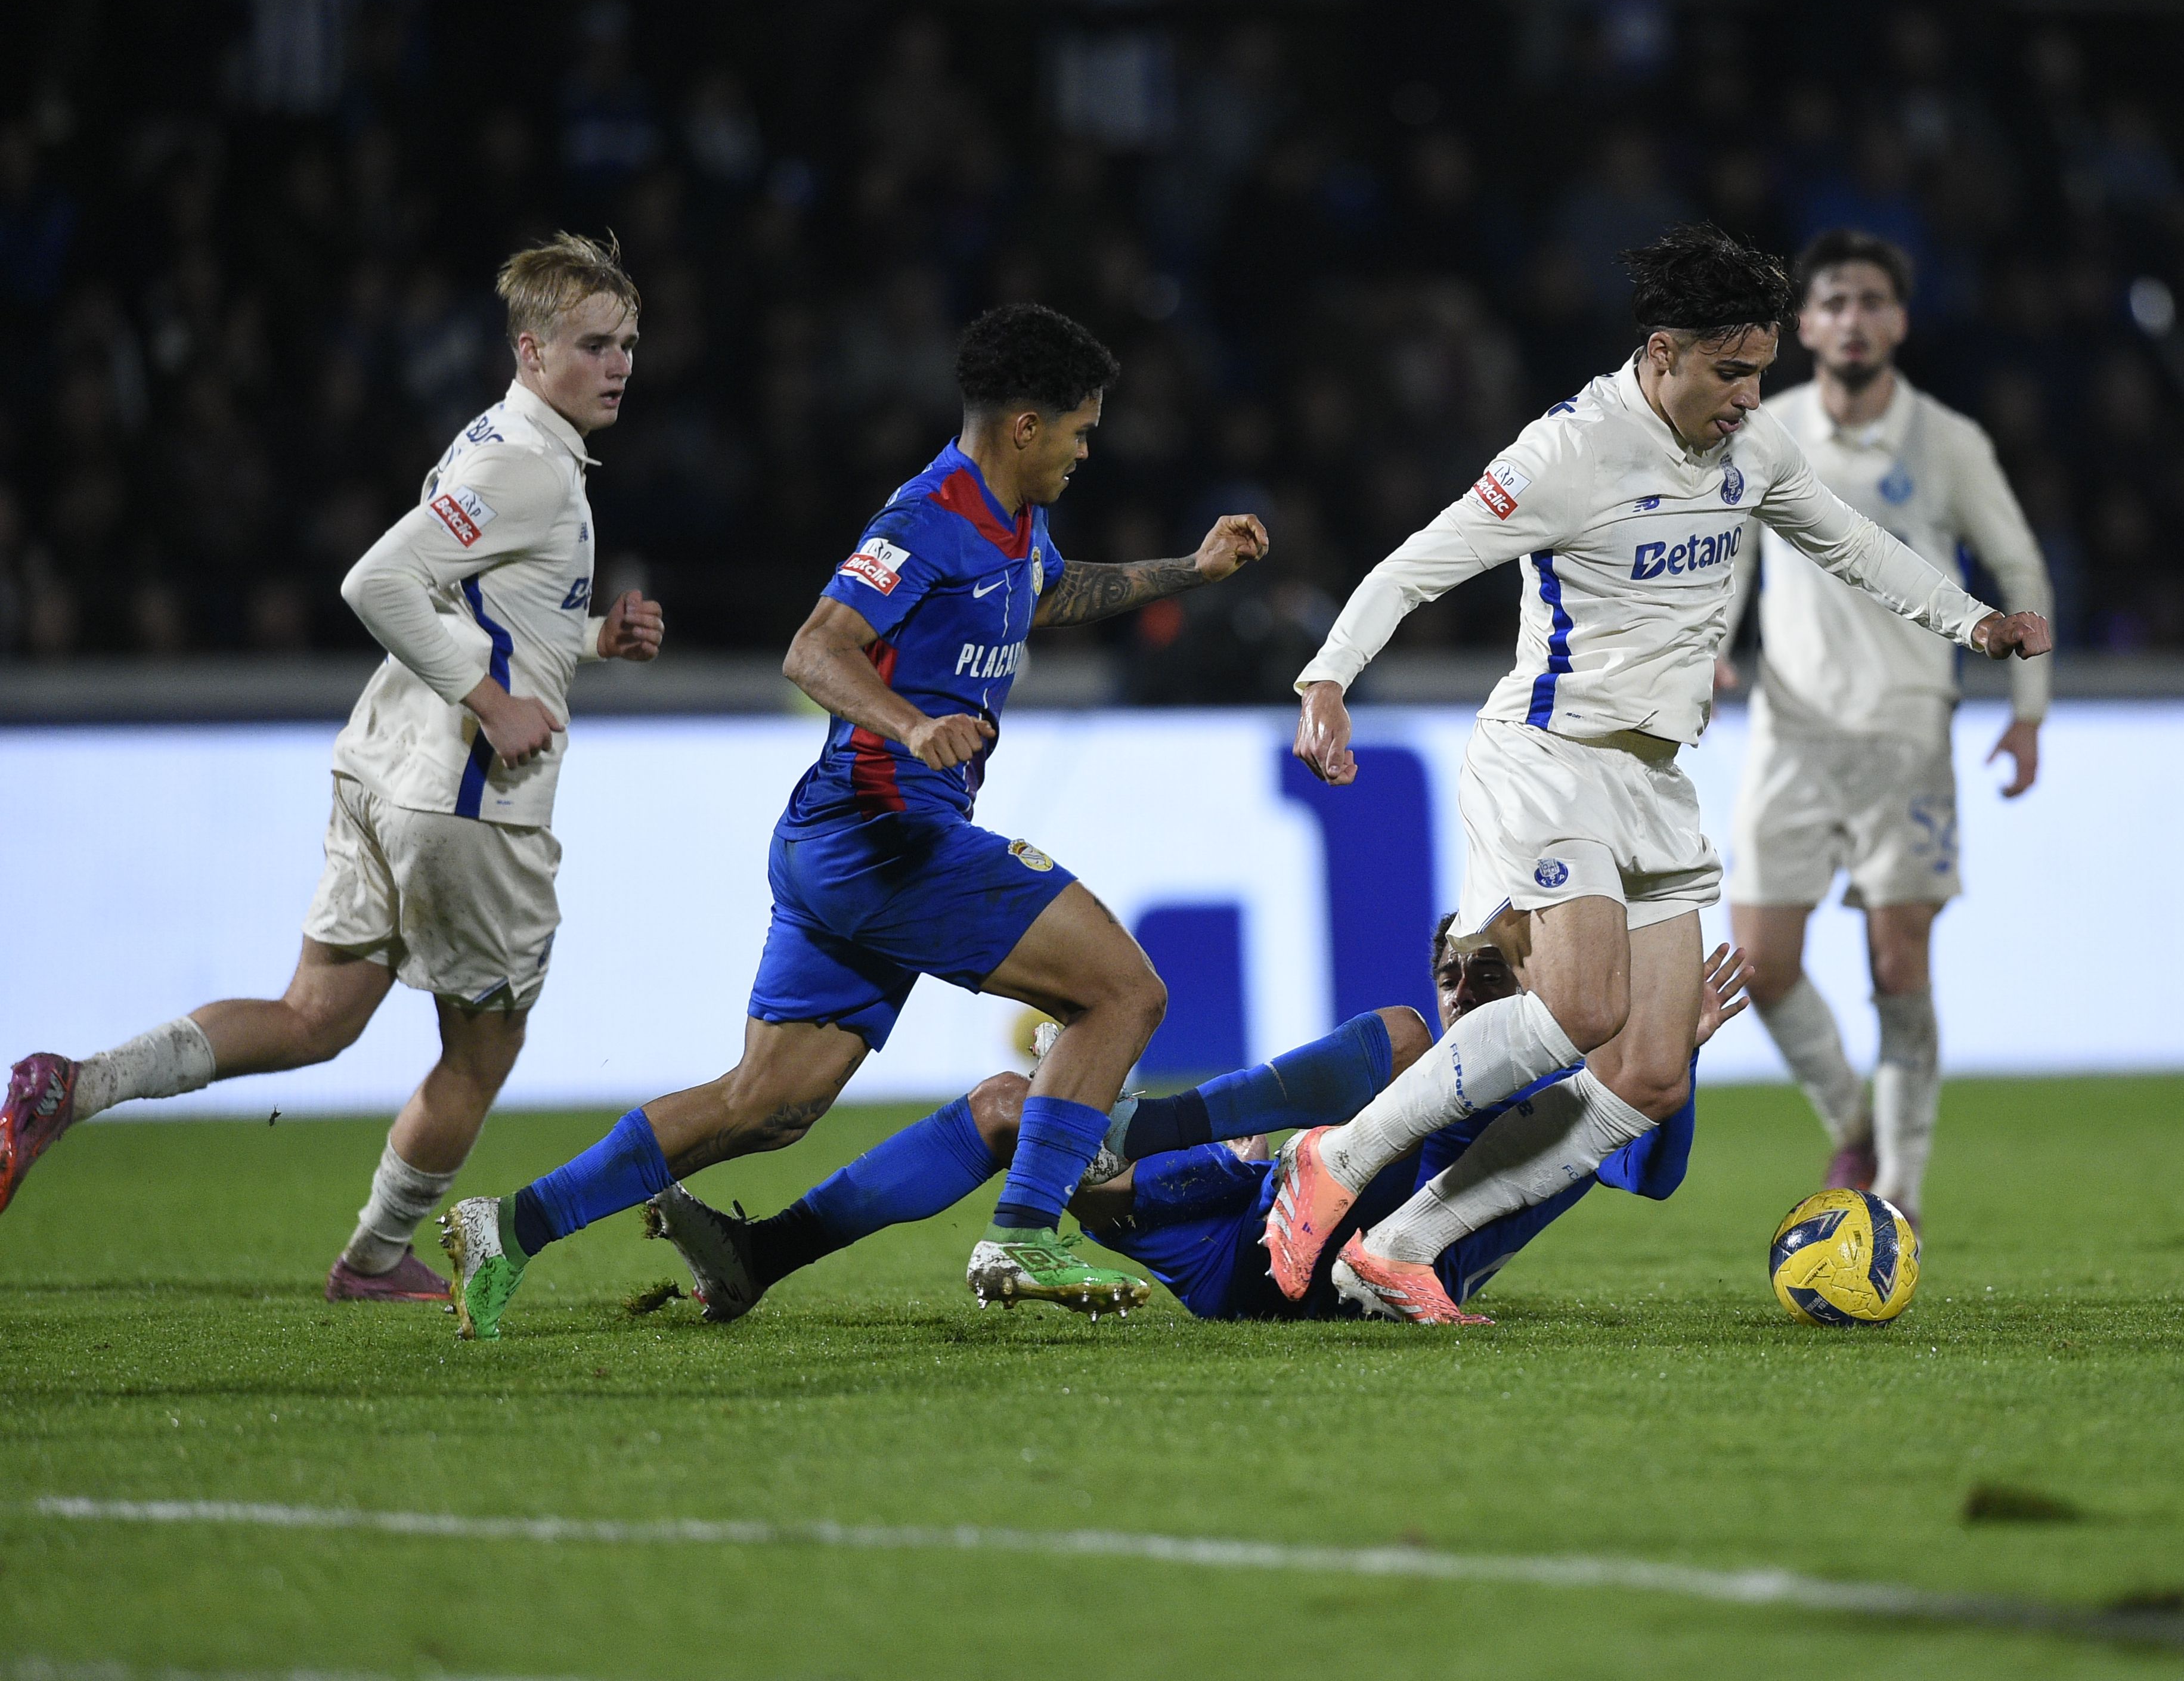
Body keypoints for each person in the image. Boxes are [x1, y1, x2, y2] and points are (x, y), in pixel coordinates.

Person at [436, 303, 1268, 1336]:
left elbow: (1042, 595)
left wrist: (1190, 571)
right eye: (1079, 431)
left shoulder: (1013, 524)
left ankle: (507, 1227)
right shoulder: (925, 519)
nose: (1086, 451)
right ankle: (1025, 1227)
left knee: (765, 1104)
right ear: (1024, 426)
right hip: (886, 836)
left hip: (843, 850)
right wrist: (913, 728)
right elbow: (814, 650)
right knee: (1123, 993)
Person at [1277, 222, 2050, 1323]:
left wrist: (1972, 624)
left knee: (1649, 1075)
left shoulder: (1753, 448)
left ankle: (1402, 1246)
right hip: (1548, 759)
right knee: (1583, 1005)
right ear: (1662, 354)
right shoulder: (1569, 453)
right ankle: (1337, 1162)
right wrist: (1327, 678)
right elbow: (1416, 565)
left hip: (1653, 782)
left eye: (1760, 374)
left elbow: (1852, 544)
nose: (1749, 398)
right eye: (1730, 373)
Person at [0, 235, 665, 1301]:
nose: (621, 364)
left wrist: (590, 639)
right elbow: (377, 583)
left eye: (630, 343)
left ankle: (73, 1087)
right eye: (595, 345)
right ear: (533, 350)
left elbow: (472, 606)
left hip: (379, 773)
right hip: (467, 806)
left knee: (313, 1015)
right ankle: (374, 1257)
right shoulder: (524, 468)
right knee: (482, 1052)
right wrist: (493, 702)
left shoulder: (488, 441)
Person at [645, 918, 1748, 1323]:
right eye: (1453, 970)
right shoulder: (1421, 1065)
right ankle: (761, 1256)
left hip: (1361, 1271)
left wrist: (1678, 1061)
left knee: (1403, 1040)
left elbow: (1650, 1177)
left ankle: (1140, 1128)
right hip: (1249, 1235)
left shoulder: (1550, 1093)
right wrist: (1216, 1163)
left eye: (1488, 976)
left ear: (1537, 986)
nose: (1465, 993)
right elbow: (1262, 1166)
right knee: (1003, 1112)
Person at [1717, 228, 2054, 1223]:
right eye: (1832, 303)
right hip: (1790, 729)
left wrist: (2028, 712)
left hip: (1907, 732)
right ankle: (1853, 1123)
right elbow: (1730, 555)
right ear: (1803, 325)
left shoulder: (1948, 442)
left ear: (1899, 320)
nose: (1852, 319)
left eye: (1870, 301)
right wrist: (1711, 648)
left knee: (1898, 964)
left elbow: (2020, 570)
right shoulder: (1763, 429)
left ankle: (1898, 1191)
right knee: (1761, 962)